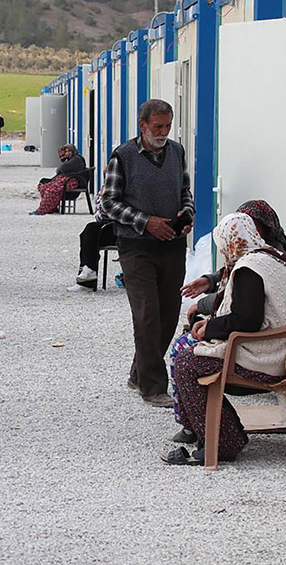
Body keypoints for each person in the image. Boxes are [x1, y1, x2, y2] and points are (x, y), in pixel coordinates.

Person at [161, 212, 286, 465]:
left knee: (185, 362)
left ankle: (224, 442)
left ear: (230, 242)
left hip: (264, 357)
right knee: (188, 354)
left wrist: (210, 329)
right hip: (280, 348)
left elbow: (246, 319)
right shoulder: (273, 257)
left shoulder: (249, 269)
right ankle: (218, 432)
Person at [99, 99, 193, 408]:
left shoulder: (177, 152)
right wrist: (146, 222)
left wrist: (186, 214)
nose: (163, 132)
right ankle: (153, 387)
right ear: (143, 125)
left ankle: (139, 372)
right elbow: (107, 204)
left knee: (168, 315)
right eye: (157, 127)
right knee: (147, 314)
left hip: (173, 245)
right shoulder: (123, 157)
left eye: (167, 126)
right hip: (136, 247)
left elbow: (185, 192)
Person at [181, 199, 286, 322]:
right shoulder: (274, 254)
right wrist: (210, 281)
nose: (246, 233)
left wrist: (205, 317)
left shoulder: (252, 267)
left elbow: (243, 312)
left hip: (268, 334)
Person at [67, 190, 116, 292]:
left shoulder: (118, 182)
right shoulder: (109, 182)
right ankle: (87, 271)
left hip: (126, 227)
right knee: (88, 232)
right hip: (112, 224)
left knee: (91, 230)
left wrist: (104, 197)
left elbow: (109, 210)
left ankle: (88, 273)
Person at [31, 144, 89, 215]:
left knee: (51, 190)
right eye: (66, 152)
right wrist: (64, 159)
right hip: (67, 179)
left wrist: (63, 162)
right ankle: (52, 208)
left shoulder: (77, 159)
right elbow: (61, 170)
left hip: (72, 181)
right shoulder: (71, 159)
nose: (68, 153)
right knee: (44, 187)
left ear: (73, 151)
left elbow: (61, 169)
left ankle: (42, 210)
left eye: (69, 151)